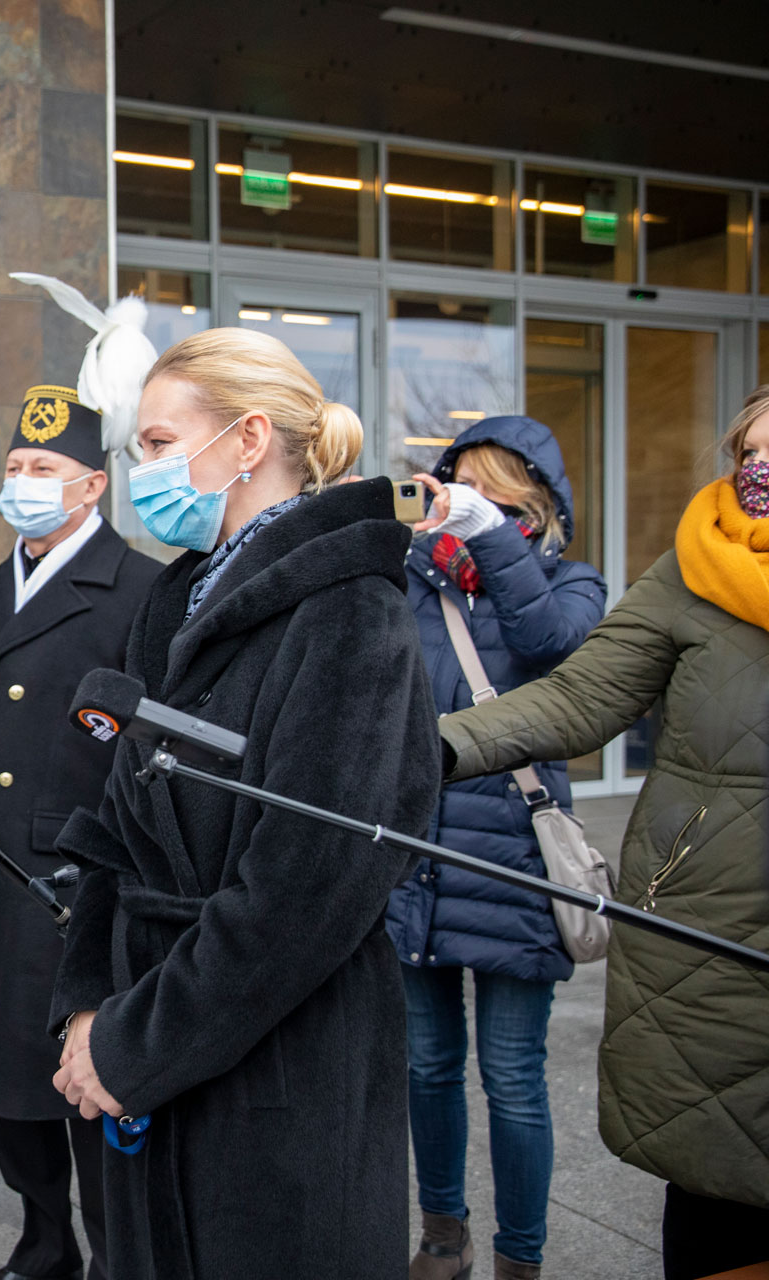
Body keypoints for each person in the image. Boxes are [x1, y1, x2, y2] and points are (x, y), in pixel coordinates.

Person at [48, 327, 441, 1279]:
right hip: (154, 1020)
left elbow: (305, 890)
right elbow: (115, 832)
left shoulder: (349, 609)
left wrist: (135, 1045)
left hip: (282, 1065)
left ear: (248, 440)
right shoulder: (176, 597)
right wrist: (88, 1006)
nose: (141, 472)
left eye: (153, 444)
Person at [438, 387, 769, 1280]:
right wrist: (425, 750)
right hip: (708, 939)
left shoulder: (567, 571)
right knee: (715, 1187)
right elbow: (581, 692)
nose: (759, 479)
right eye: (749, 457)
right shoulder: (694, 566)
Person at [0, 383, 158, 1280]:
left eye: (42, 469)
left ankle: (111, 1253)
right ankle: (43, 1238)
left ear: (91, 486)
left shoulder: (142, 591)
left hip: (74, 880)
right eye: (14, 468)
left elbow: (147, 757)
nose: (22, 483)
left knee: (82, 1083)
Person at [384, 417, 607, 1280]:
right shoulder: (411, 582)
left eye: (494, 492)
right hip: (415, 858)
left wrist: (490, 540)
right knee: (428, 1066)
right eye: (458, 487)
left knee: (512, 1077)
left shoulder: (573, 583)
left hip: (512, 863)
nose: (471, 505)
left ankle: (522, 1258)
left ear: (535, 501)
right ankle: (444, 1234)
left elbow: (552, 648)